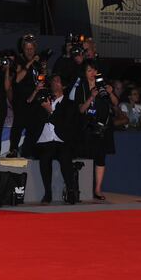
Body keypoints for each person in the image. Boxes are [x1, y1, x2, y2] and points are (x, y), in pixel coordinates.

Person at [68, 60, 118, 200]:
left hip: (103, 127)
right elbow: (81, 109)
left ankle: (98, 189)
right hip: (86, 127)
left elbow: (115, 102)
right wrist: (91, 97)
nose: (92, 73)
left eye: (94, 70)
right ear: (84, 73)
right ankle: (83, 189)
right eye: (89, 70)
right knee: (85, 156)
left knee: (101, 158)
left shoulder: (103, 84)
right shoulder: (82, 87)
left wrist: (111, 92)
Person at [33, 74, 79, 204]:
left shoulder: (69, 104)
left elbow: (65, 124)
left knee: (65, 156)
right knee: (45, 158)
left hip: (61, 140)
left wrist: (50, 112)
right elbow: (33, 116)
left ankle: (71, 190)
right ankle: (48, 192)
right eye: (53, 81)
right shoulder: (43, 101)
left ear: (63, 86)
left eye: (57, 81)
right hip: (44, 140)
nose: (54, 83)